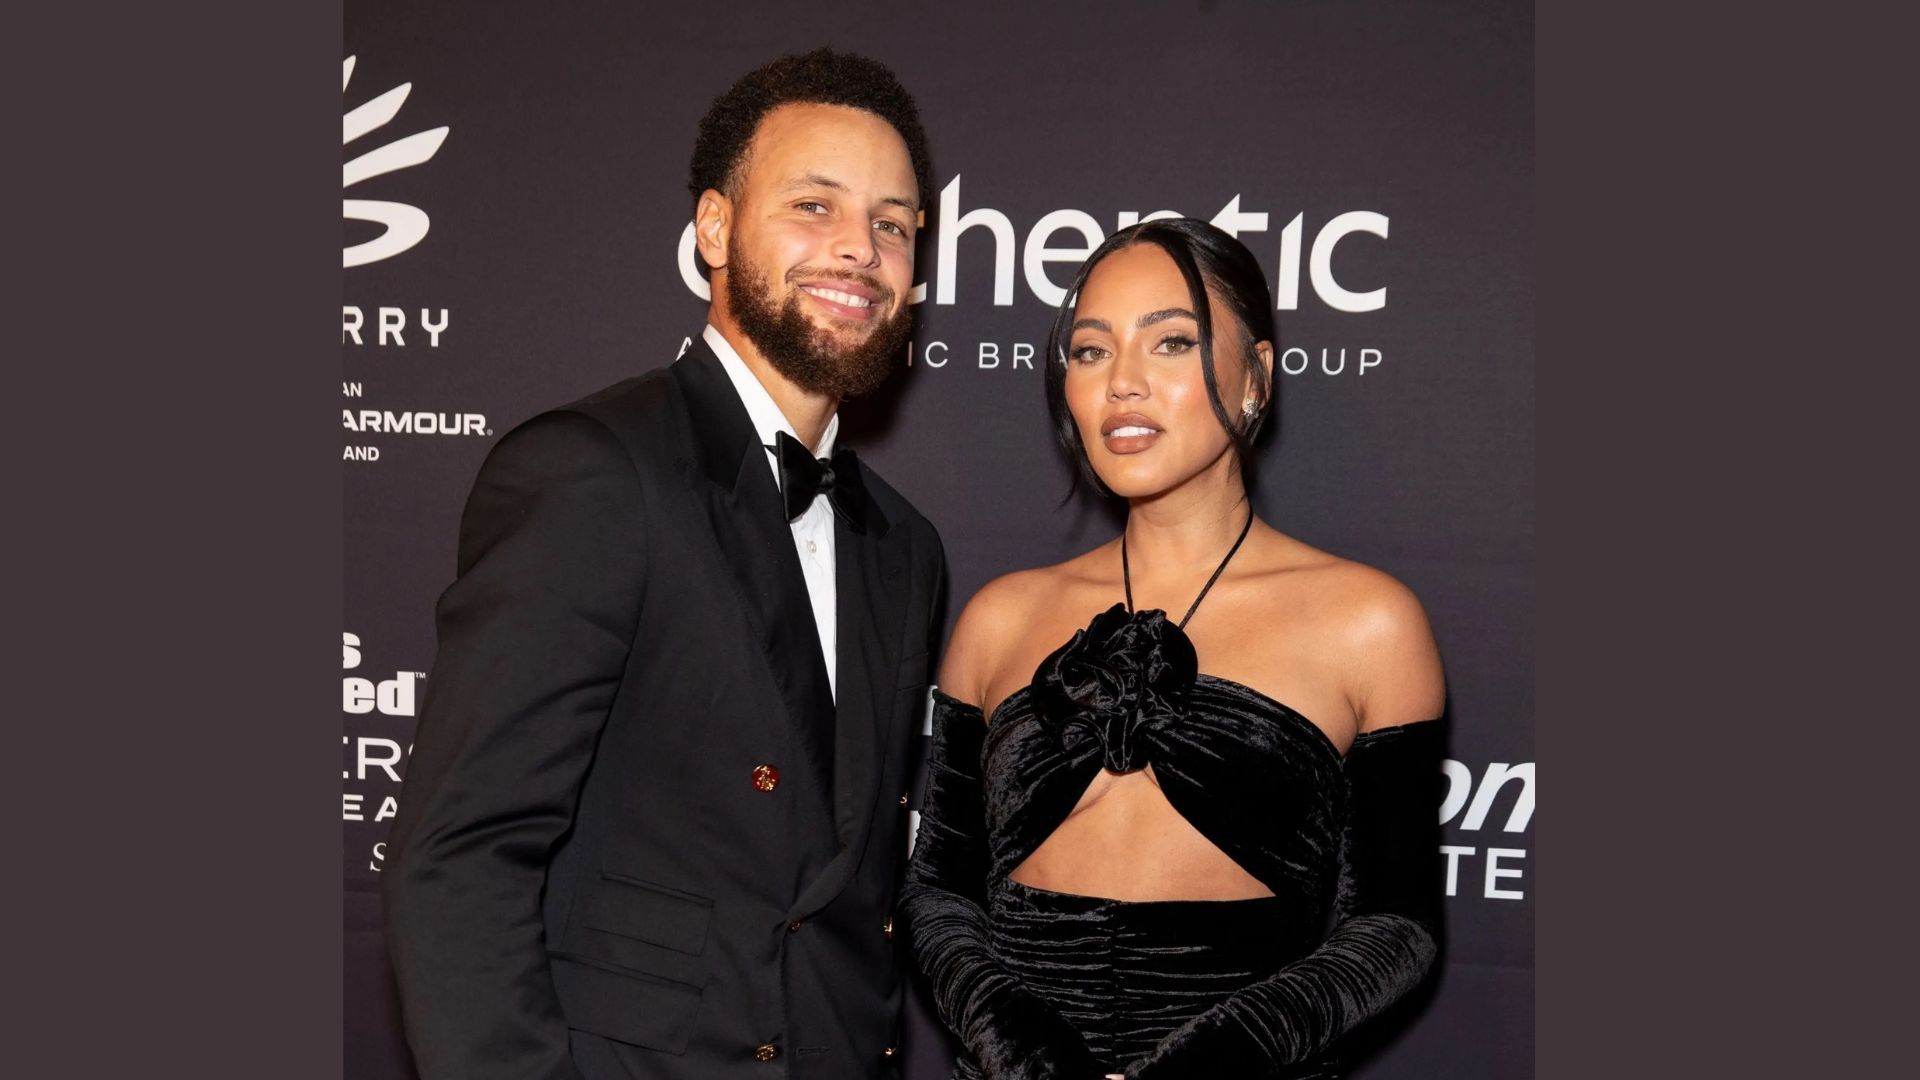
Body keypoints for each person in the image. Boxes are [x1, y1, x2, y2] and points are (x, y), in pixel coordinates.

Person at [383, 49, 945, 1080]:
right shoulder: (594, 472)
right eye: (814, 207)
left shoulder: (903, 546)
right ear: (716, 228)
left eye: (896, 224)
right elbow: (461, 860)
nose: (860, 249)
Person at [901, 218, 1445, 1080]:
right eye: (1089, 351)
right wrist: (1025, 1053)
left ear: (1256, 376)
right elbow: (939, 891)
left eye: (1173, 343)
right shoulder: (999, 618)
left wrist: (1211, 1065)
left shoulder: (1369, 622)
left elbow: (1396, 925)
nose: (1122, 384)